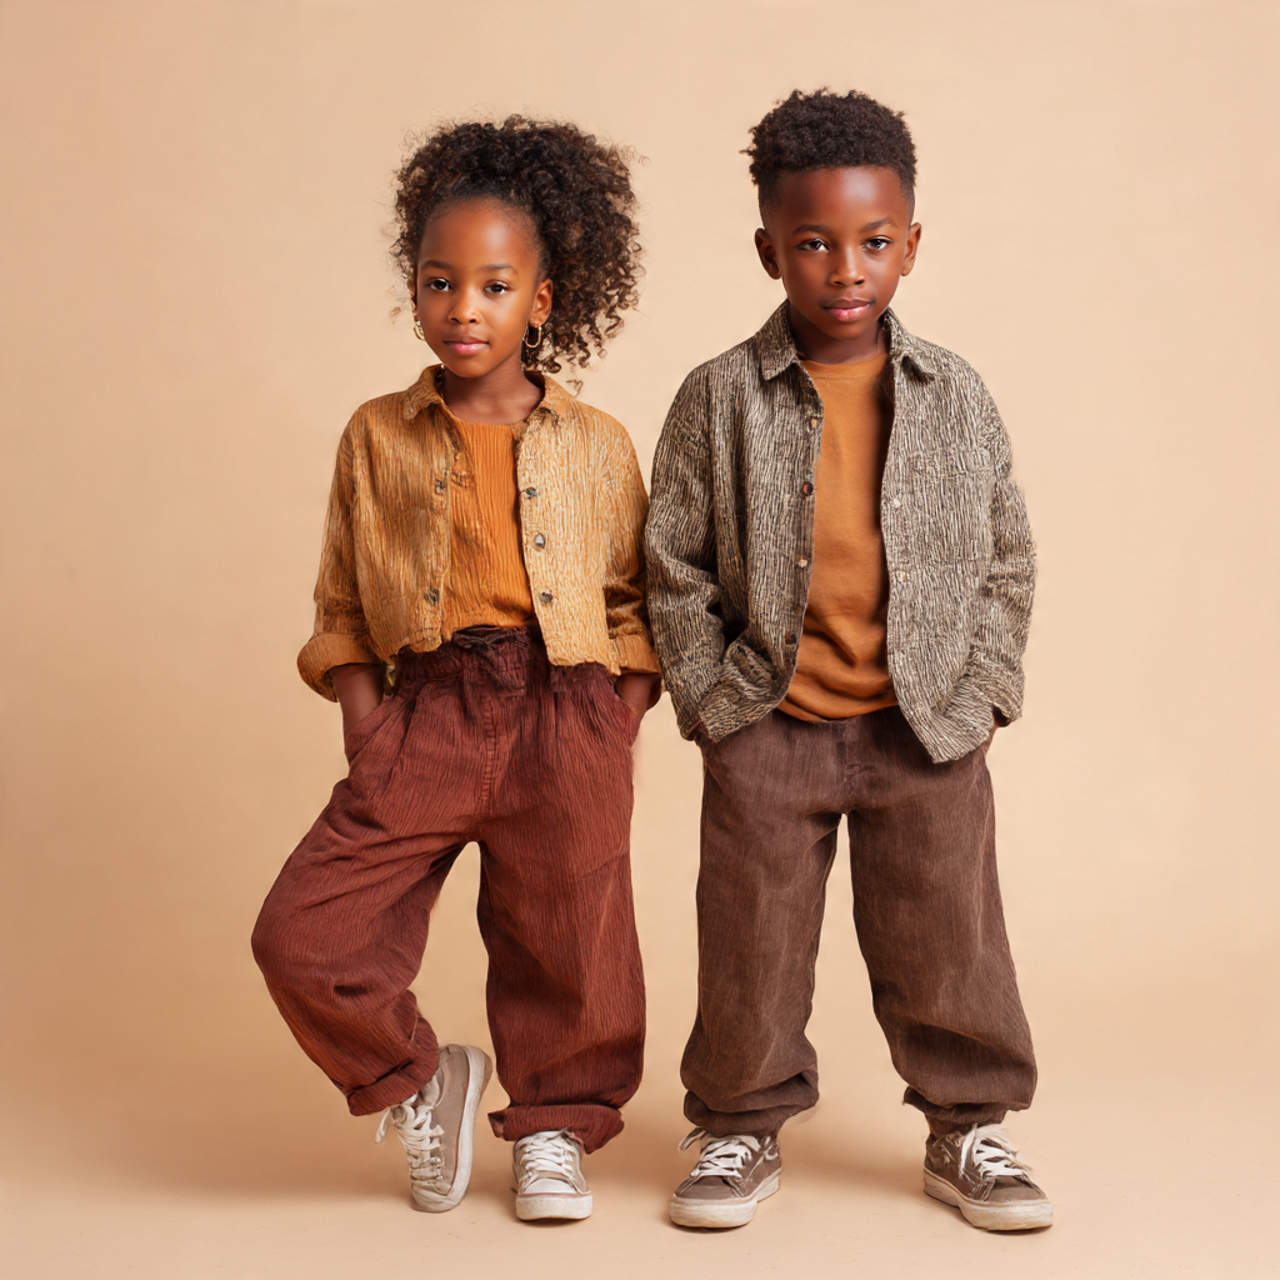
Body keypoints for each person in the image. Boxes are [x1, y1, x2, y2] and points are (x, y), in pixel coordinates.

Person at [645, 88, 1051, 1232]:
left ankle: (967, 1121)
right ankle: (734, 1124)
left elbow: (1006, 554)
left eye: (873, 242)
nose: (843, 268)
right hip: (768, 717)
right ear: (767, 245)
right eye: (813, 242)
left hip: (921, 723)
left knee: (947, 933)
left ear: (910, 244)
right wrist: (712, 701)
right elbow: (670, 558)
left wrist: (980, 694)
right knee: (749, 935)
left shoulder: (952, 394)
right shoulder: (719, 395)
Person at [252, 116, 660, 1222]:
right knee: (303, 932)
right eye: (439, 282)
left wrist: (613, 718)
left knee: (569, 936)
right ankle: (420, 1076)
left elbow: (637, 605)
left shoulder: (599, 443)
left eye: (492, 285)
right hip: (424, 709)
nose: (462, 308)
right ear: (415, 289)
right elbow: (341, 597)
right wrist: (364, 718)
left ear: (541, 298)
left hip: (566, 710)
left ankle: (556, 1129)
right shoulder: (377, 435)